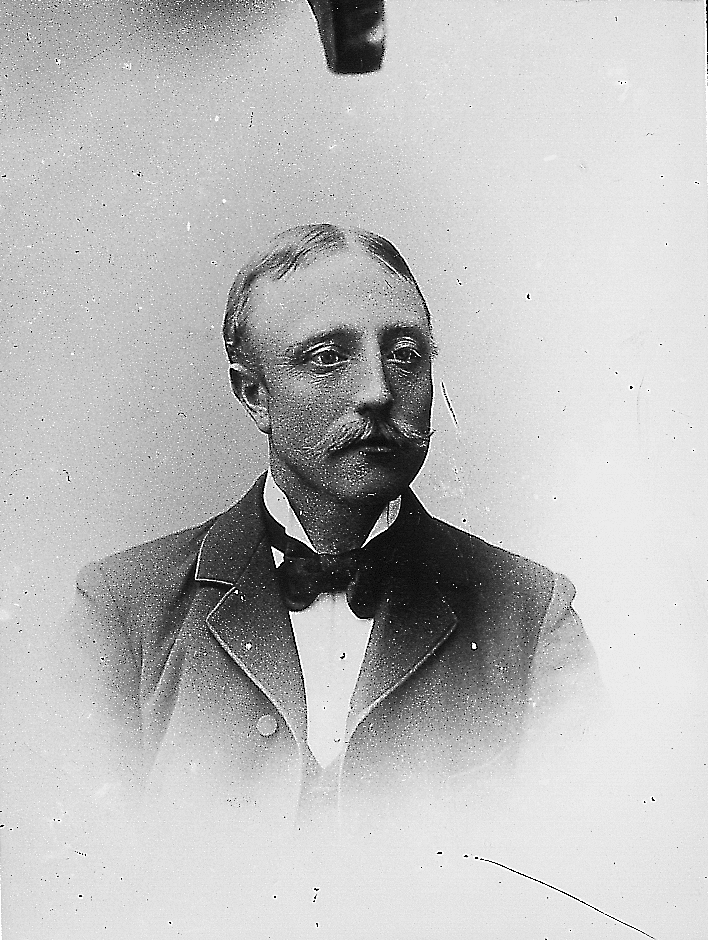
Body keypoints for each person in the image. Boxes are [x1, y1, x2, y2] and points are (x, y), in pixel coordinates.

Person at [64, 223, 601, 852]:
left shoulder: (531, 615)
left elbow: (579, 863)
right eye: (327, 358)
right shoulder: (123, 611)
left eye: (406, 354)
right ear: (254, 394)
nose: (378, 391)